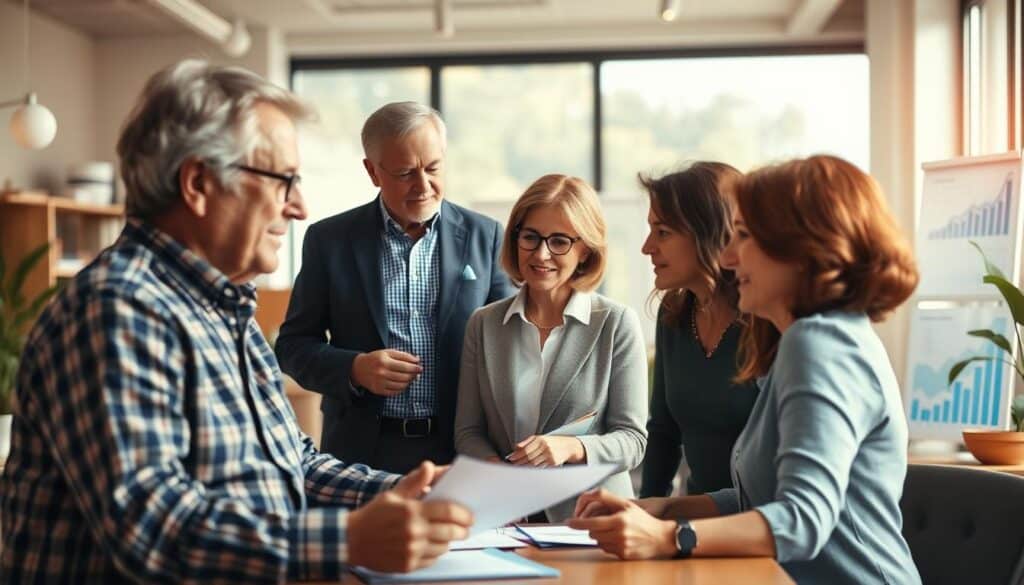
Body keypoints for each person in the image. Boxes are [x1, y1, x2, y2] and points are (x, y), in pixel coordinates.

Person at [0, 60, 472, 583]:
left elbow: (295, 462)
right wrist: (350, 538)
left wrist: (398, 493)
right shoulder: (116, 310)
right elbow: (153, 527)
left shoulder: (227, 310)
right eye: (282, 181)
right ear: (199, 183)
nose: (299, 207)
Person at [571, 155, 922, 585]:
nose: (730, 258)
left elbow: (802, 520)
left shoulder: (819, 345)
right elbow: (761, 498)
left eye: (743, 237)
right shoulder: (809, 338)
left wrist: (670, 537)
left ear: (799, 250)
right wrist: (658, 509)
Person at [275, 102, 514, 474]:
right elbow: (292, 347)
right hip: (361, 452)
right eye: (405, 173)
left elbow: (512, 343)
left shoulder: (485, 236)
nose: (423, 186)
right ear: (372, 171)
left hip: (460, 450)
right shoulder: (329, 240)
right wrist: (354, 369)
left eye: (433, 168)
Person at [454, 174, 648, 522]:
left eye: (559, 241)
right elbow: (468, 432)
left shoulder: (616, 323)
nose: (541, 254)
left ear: (585, 249)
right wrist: (498, 474)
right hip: (507, 518)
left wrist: (570, 448)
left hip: (592, 521)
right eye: (530, 237)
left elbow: (632, 440)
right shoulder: (483, 324)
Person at [638, 163, 758, 498]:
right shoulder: (673, 314)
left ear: (709, 233)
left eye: (662, 232)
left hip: (758, 526)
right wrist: (644, 511)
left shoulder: (766, 321)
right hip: (698, 521)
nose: (647, 247)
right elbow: (663, 430)